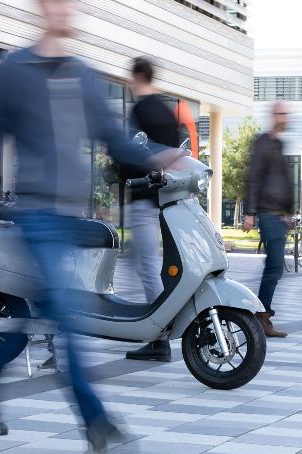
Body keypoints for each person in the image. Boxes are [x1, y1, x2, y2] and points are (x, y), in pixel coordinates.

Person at [0, 0, 184, 454]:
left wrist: (157, 156)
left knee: (36, 319)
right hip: (36, 216)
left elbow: (115, 139)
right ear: (43, 8)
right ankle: (97, 425)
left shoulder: (82, 75)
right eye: (61, 3)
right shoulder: (15, 70)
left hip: (69, 220)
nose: (70, 11)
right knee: (66, 318)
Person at [124, 57, 180, 363]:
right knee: (146, 261)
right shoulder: (167, 112)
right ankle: (150, 320)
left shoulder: (140, 111)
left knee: (146, 265)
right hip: (166, 199)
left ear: (136, 78)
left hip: (144, 196)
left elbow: (131, 154)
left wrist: (119, 179)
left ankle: (160, 336)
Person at [242, 101, 292, 338]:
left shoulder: (280, 144)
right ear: (275, 115)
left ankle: (261, 314)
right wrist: (250, 213)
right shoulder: (263, 142)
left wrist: (288, 212)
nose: (287, 117)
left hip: (277, 215)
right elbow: (253, 177)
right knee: (274, 266)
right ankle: (261, 316)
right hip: (266, 212)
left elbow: (282, 180)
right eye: (284, 113)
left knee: (275, 267)